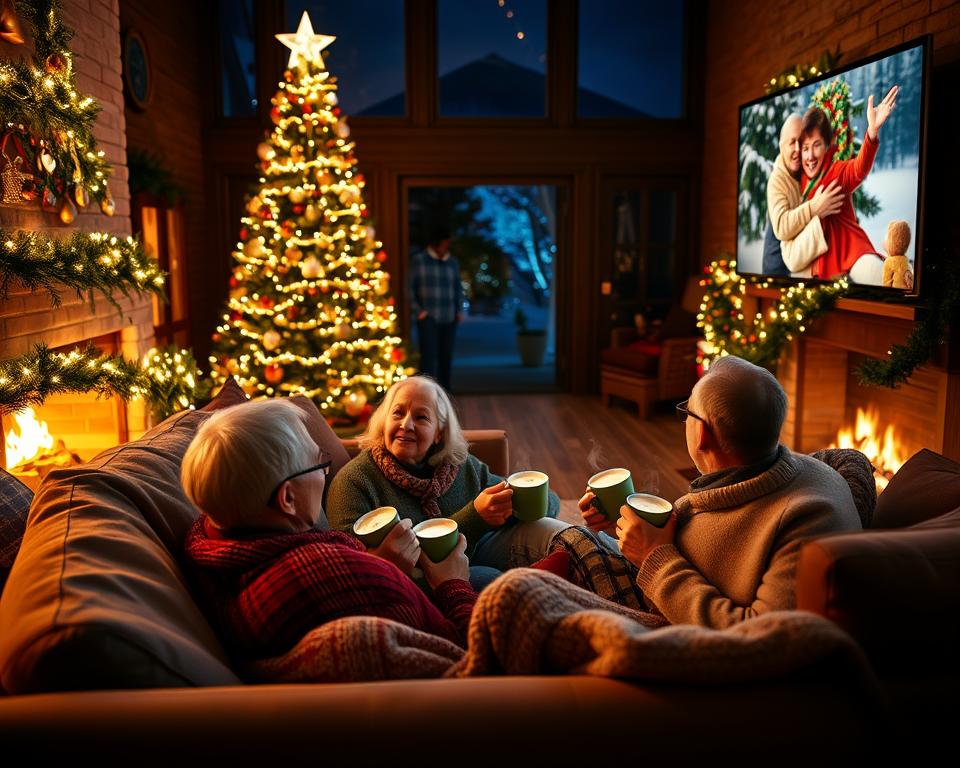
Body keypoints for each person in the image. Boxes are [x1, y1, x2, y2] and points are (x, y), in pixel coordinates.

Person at [577, 355, 862, 629]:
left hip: (667, 630)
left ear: (702, 433)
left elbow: (759, 638)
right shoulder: (812, 473)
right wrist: (624, 526)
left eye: (687, 411)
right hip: (665, 589)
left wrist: (654, 556)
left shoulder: (805, 520)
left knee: (564, 540)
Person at [180, 398, 478, 657]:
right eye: (319, 463)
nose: (325, 473)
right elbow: (464, 649)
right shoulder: (329, 577)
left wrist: (378, 563)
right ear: (287, 498)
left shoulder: (212, 534)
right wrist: (452, 583)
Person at [325, 376, 568, 590]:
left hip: (477, 554)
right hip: (414, 588)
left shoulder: (458, 466)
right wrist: (477, 517)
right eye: (397, 413)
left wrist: (527, 504)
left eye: (421, 417)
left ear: (439, 432)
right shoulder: (354, 482)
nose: (406, 425)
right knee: (492, 579)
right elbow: (351, 574)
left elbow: (550, 503)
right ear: (384, 421)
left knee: (557, 532)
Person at [800, 85, 899, 282]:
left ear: (827, 145)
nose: (810, 156)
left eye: (816, 145)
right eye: (805, 148)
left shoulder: (836, 170)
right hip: (818, 265)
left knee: (879, 277)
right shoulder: (798, 180)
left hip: (853, 254)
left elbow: (858, 169)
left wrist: (871, 132)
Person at [762, 113, 845, 276]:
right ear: (781, 146)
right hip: (777, 270)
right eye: (791, 142)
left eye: (800, 142)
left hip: (804, 262)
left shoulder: (806, 167)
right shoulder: (777, 180)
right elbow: (781, 227)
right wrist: (814, 208)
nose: (797, 149)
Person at [409, 224, 463, 391]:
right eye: (444, 244)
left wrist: (459, 310)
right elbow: (409, 288)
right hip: (428, 317)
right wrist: (419, 311)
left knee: (446, 356)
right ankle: (426, 392)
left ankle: (445, 392)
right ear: (435, 244)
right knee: (428, 357)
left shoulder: (452, 262)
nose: (446, 247)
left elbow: (458, 288)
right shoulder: (419, 261)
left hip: (449, 316)